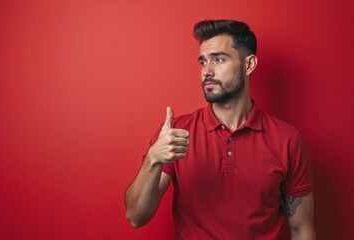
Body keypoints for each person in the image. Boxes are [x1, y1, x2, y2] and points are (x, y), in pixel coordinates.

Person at [125, 19, 315, 239]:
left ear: (249, 64)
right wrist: (153, 159)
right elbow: (136, 217)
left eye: (219, 59)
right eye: (203, 62)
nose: (207, 71)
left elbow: (301, 229)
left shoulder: (287, 139)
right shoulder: (177, 132)